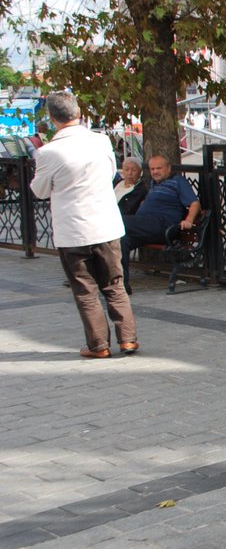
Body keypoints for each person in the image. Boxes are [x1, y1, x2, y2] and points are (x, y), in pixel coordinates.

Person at [29, 91, 138, 358]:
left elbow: (40, 190)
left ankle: (99, 346)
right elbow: (111, 171)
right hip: (106, 224)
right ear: (78, 113)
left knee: (85, 290)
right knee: (114, 284)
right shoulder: (101, 142)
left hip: (73, 230)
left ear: (52, 118)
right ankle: (129, 340)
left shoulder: (49, 152)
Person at [120, 154, 201, 289]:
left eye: (159, 168)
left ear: (168, 168)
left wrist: (189, 220)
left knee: (116, 222)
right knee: (121, 240)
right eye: (152, 169)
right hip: (146, 226)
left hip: (163, 226)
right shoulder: (153, 184)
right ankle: (121, 286)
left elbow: (194, 203)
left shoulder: (178, 181)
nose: (155, 172)